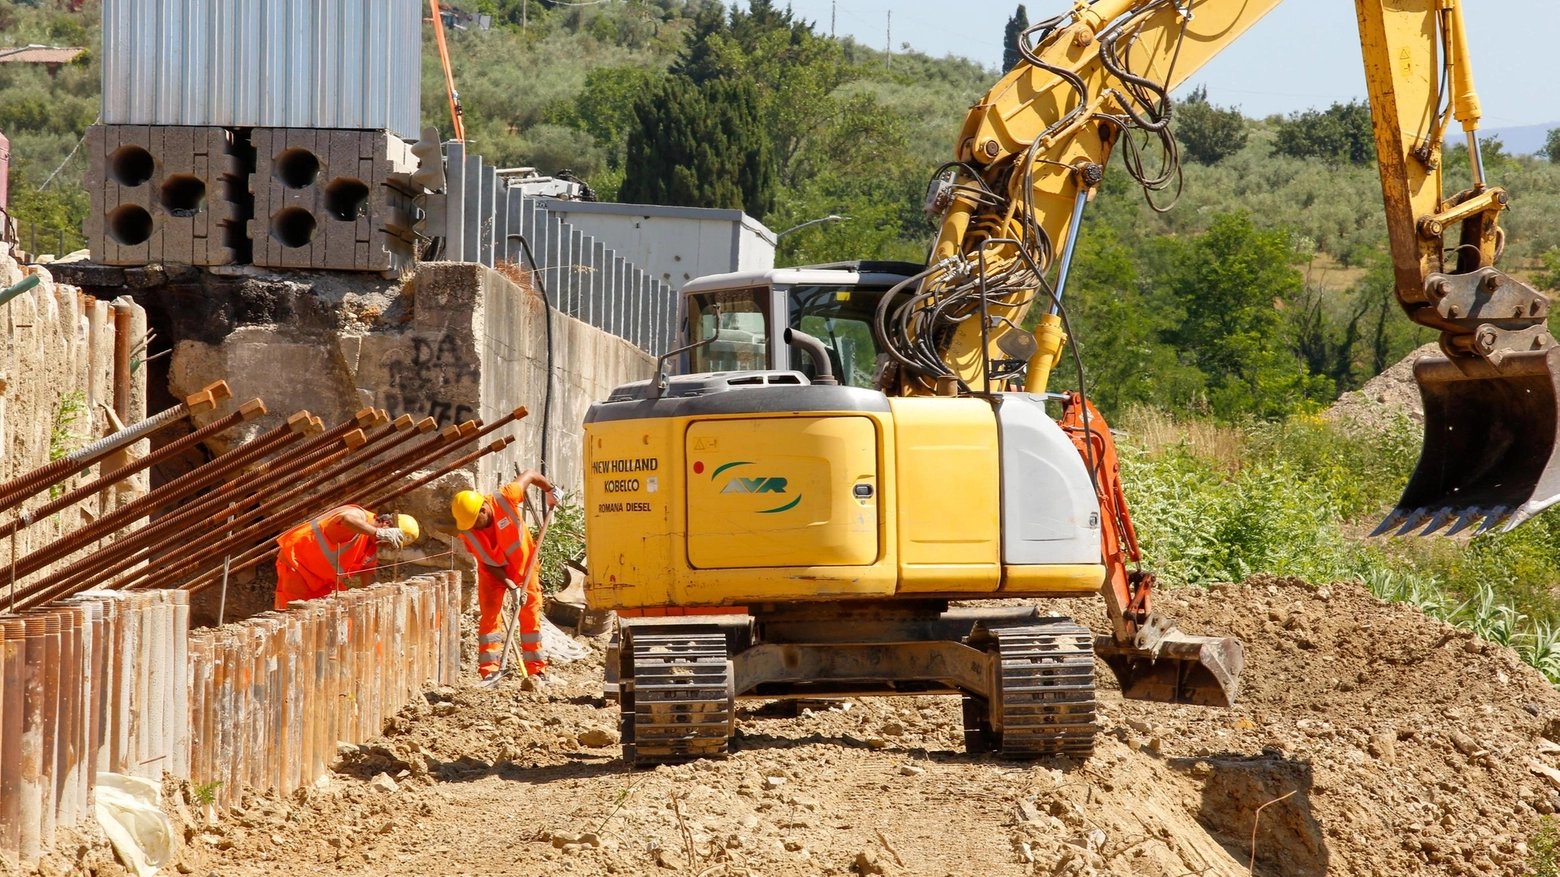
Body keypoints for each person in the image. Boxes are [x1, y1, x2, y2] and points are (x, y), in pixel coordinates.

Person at [451, 470, 558, 680]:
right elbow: (488, 563)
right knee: (490, 617)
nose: (473, 527)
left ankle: (537, 670)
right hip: (494, 573)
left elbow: (530, 475)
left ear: (483, 509)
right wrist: (511, 586)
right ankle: (489, 671)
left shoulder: (505, 497)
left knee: (529, 615)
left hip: (525, 567)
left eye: (475, 522)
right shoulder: (469, 531)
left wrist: (550, 489)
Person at [274, 505, 420, 610]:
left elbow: (368, 575)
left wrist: (379, 595)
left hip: (323, 582)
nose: (388, 546)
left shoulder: (370, 548)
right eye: (390, 541)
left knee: (339, 616)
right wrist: (378, 533)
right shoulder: (359, 515)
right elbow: (346, 519)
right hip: (298, 566)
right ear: (386, 524)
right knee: (293, 617)